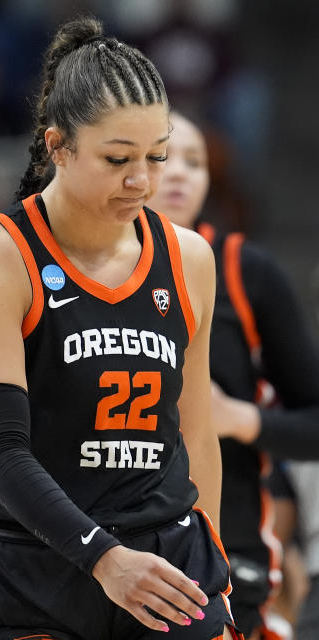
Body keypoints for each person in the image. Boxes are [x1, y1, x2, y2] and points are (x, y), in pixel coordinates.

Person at [0, 17, 238, 639]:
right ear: (58, 146)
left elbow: (198, 433)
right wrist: (104, 558)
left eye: (156, 157)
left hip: (165, 562)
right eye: (117, 159)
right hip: (30, 571)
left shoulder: (189, 260)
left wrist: (210, 570)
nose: (143, 181)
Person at [148, 111, 319, 639]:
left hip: (228, 540)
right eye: (164, 157)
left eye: (196, 163)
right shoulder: (71, 270)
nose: (180, 173)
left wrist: (239, 418)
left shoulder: (247, 271)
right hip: (107, 539)